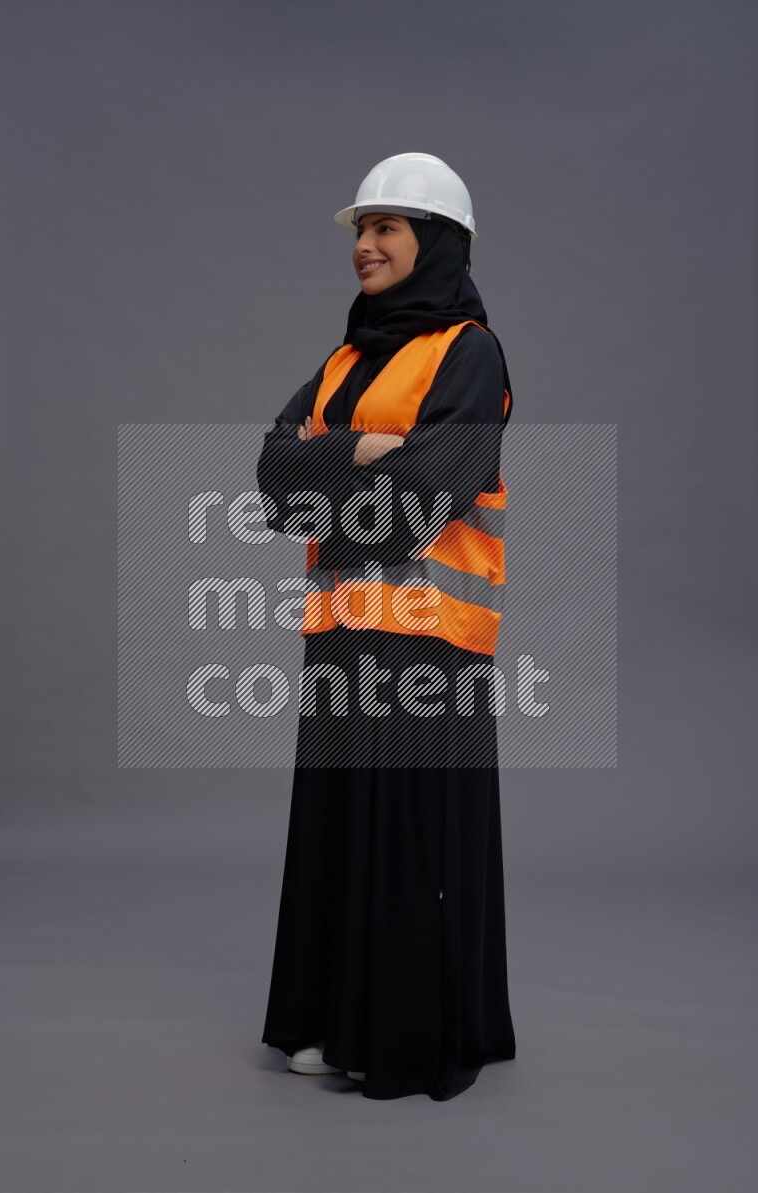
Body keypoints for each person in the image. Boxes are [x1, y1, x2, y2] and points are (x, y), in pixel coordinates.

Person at [257, 152, 516, 1101]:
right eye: (361, 230)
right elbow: (270, 480)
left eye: (385, 228)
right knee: (337, 832)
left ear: (436, 242)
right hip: (339, 633)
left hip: (431, 642)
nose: (363, 246)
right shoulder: (343, 360)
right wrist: (364, 449)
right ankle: (332, 1022)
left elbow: (418, 505)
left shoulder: (470, 355)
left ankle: (400, 1037)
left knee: (409, 842)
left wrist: (327, 460)